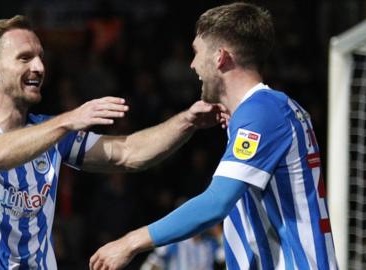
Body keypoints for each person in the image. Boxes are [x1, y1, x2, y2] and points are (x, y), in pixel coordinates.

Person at [0, 15, 227, 269]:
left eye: (40, 57)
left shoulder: (51, 133)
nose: (39, 68)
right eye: (24, 58)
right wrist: (67, 120)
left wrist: (187, 121)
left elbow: (127, 153)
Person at [90, 2, 338, 270]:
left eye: (196, 52)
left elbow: (216, 202)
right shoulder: (270, 109)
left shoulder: (262, 113)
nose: (193, 64)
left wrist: (130, 242)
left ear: (220, 57)